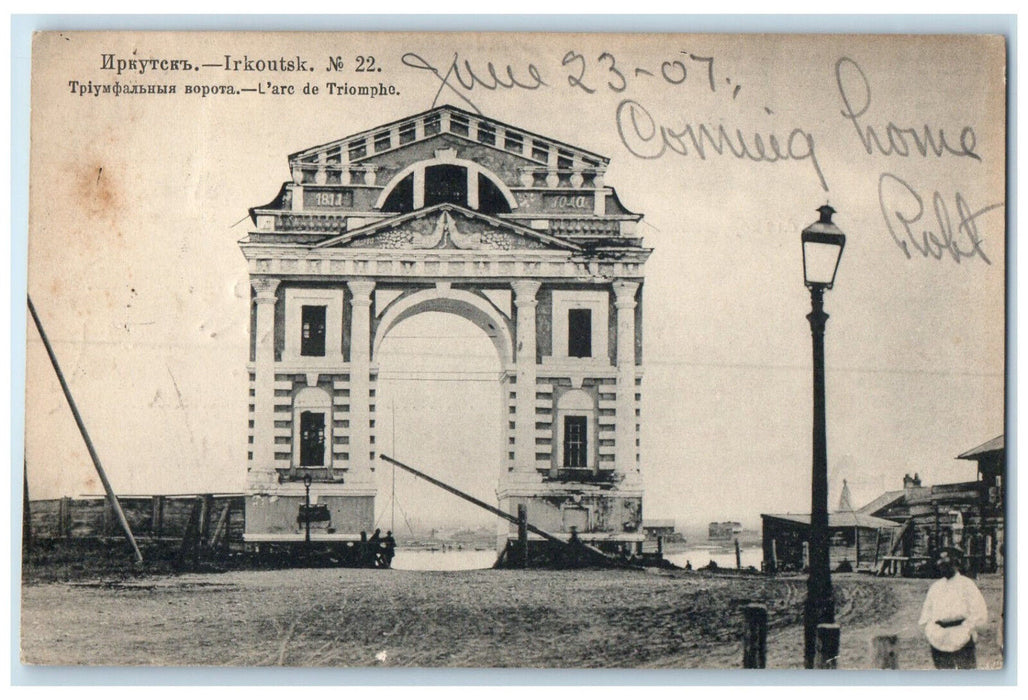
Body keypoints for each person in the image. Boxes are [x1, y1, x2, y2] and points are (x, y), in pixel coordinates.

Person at [918, 547, 988, 669]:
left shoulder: (967, 585)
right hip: (938, 637)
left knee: (966, 676)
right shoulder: (936, 587)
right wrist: (931, 630)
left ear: (956, 565)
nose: (943, 568)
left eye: (947, 565)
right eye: (941, 565)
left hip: (961, 634)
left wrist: (968, 628)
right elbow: (927, 613)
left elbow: (978, 611)